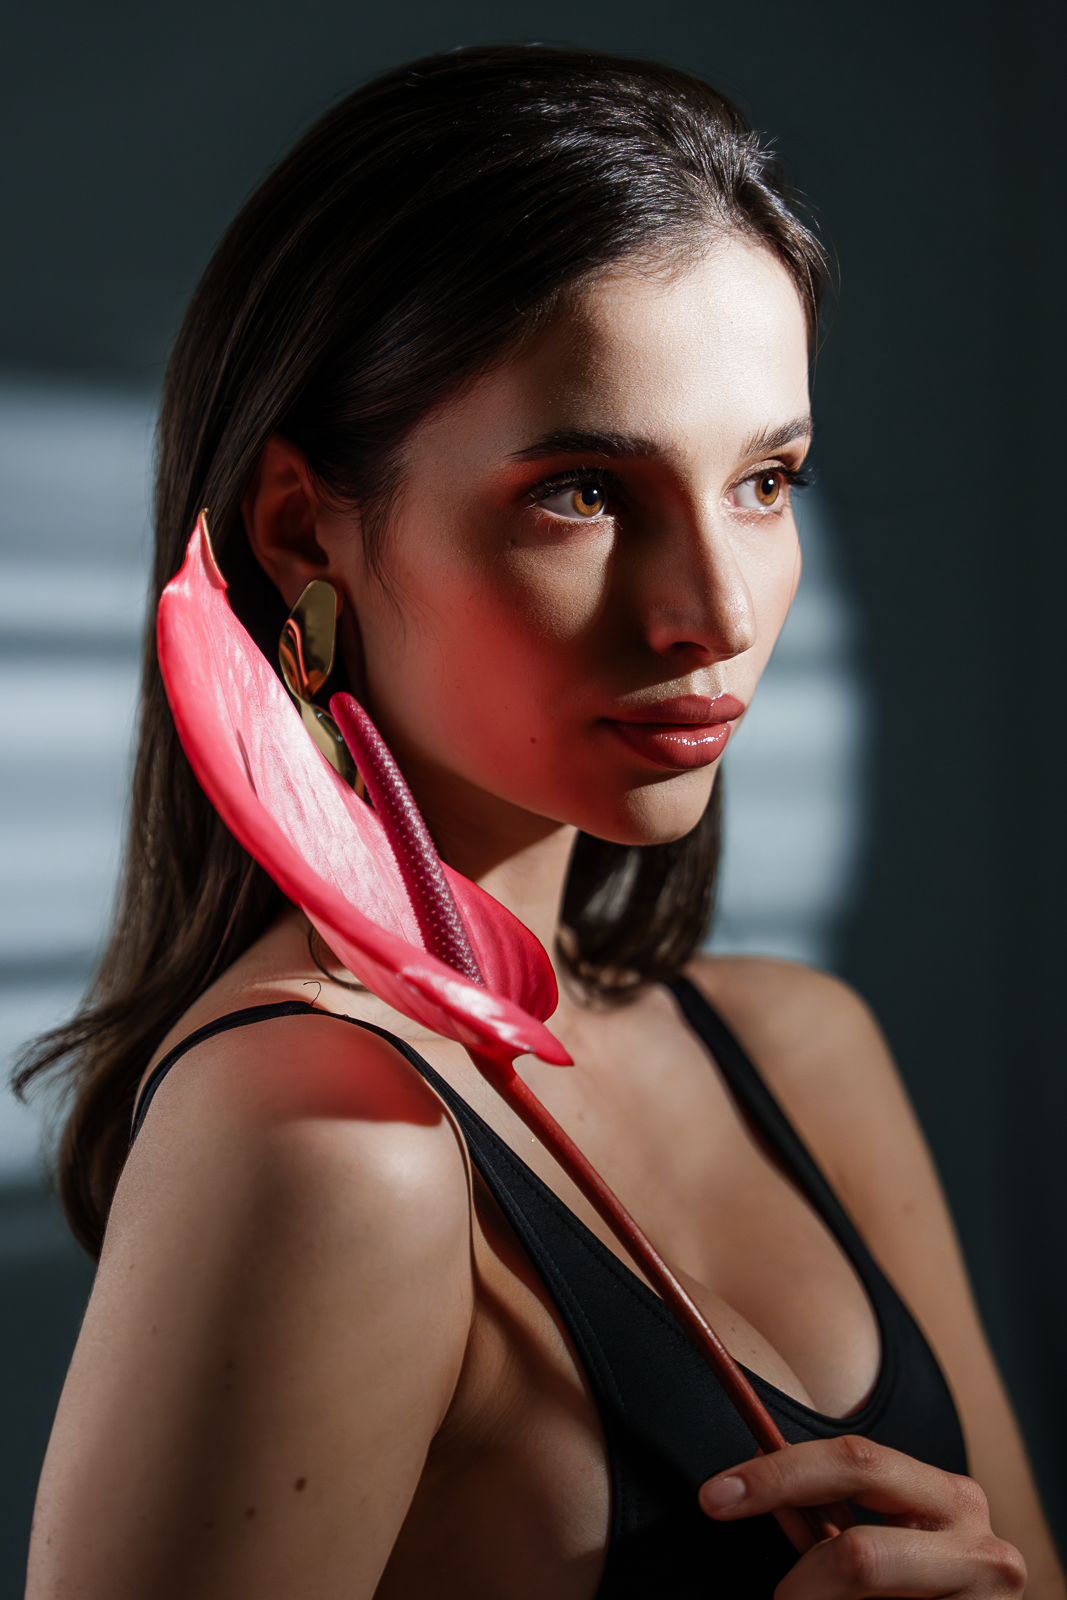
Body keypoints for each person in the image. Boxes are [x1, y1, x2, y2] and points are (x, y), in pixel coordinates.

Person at [18, 45, 1062, 1599]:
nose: (711, 612)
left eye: (765, 481)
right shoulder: (324, 1142)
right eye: (582, 490)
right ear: (305, 523)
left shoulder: (801, 1051)